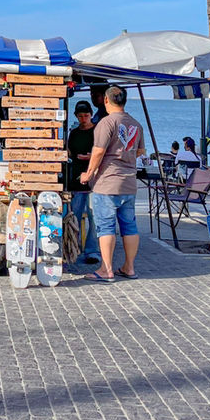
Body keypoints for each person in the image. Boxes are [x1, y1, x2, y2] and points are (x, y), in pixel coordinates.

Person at [80, 86, 145, 282]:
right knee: (129, 227)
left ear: (106, 101)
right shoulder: (136, 124)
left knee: (106, 226)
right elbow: (140, 151)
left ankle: (106, 270)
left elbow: (98, 151)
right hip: (129, 183)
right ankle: (129, 267)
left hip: (107, 183)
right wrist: (125, 156)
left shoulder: (106, 123)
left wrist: (88, 173)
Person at [67, 101, 100, 265]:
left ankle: (92, 251)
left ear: (91, 115)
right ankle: (74, 248)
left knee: (94, 217)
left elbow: (103, 152)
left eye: (86, 116)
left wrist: (91, 158)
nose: (83, 119)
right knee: (75, 216)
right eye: (80, 116)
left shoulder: (97, 131)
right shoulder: (73, 133)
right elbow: (70, 152)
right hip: (77, 181)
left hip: (95, 181)